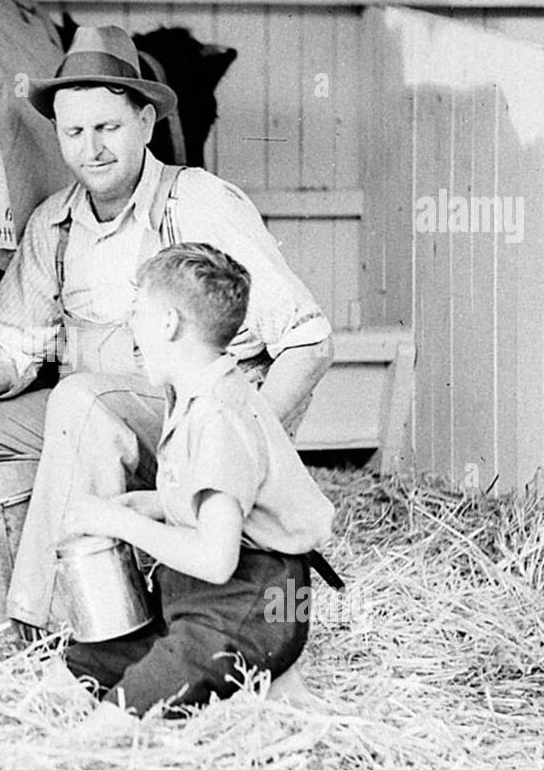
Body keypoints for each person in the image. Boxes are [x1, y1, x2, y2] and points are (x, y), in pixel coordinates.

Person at [0, 24, 333, 635]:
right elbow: (8, 358)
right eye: (74, 131)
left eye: (109, 128)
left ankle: (44, 614)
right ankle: (96, 541)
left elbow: (309, 339)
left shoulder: (196, 201)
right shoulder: (53, 224)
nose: (93, 149)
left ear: (144, 121)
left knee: (81, 396)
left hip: (192, 417)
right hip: (103, 421)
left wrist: (240, 449)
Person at [58, 242, 336, 720]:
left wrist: (114, 521)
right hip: (207, 602)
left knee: (120, 711)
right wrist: (154, 503)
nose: (132, 328)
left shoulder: (216, 416)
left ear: (167, 323)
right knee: (77, 669)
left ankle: (266, 678)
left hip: (251, 602)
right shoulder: (207, 392)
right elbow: (223, 500)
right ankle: (270, 687)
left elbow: (214, 558)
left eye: (137, 313)